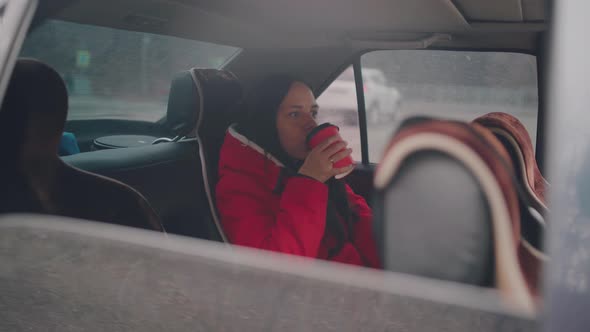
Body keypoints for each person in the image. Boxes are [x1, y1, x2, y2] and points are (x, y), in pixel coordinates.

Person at [216, 75, 380, 268]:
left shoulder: (297, 163)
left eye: (313, 112)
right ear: (265, 122)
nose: (311, 124)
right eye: (295, 114)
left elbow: (357, 219)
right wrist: (310, 180)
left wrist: (401, 260)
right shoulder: (238, 184)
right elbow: (274, 268)